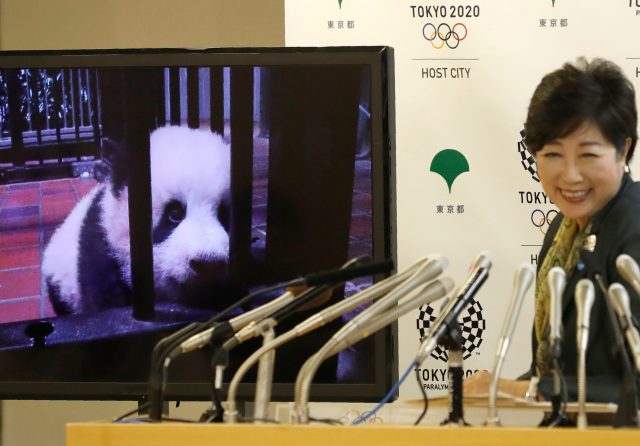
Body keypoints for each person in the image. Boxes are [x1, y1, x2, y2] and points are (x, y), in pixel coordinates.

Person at [465, 57, 640, 403]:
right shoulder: (565, 229)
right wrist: (501, 387)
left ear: (624, 150)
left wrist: (522, 389)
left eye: (588, 155)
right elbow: (558, 369)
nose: (570, 175)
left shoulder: (633, 230)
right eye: (553, 155)